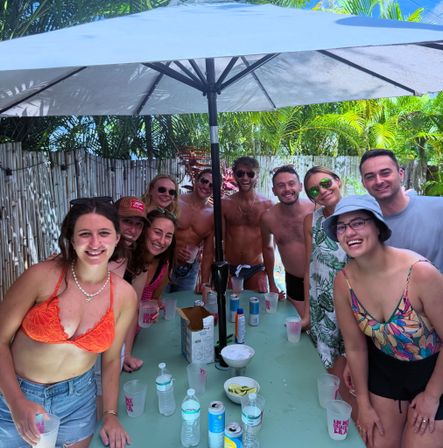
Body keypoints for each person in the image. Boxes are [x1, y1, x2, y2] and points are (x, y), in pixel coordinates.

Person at [0, 198, 137, 448]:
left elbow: (109, 360)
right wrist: (16, 402)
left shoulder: (125, 295)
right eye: (85, 234)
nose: (95, 243)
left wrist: (110, 415)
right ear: (72, 240)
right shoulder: (41, 277)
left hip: (78, 402)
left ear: (117, 238)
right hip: (15, 394)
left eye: (104, 233)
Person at [324, 195, 443, 448]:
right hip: (385, 372)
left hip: (434, 373)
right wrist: (363, 405)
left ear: (378, 226)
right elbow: (355, 348)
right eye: (342, 227)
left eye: (358, 223)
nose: (349, 232)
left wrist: (432, 397)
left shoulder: (420, 273)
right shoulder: (344, 281)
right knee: (375, 443)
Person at [302, 166, 355, 414]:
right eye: (314, 190)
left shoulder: (358, 213)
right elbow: (309, 267)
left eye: (325, 183)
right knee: (325, 368)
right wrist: (305, 313)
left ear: (338, 180)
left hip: (354, 305)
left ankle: (349, 421)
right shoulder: (311, 220)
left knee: (351, 371)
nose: (322, 191)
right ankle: (329, 417)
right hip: (320, 304)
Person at [360, 149, 443, 272]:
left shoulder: (438, 208)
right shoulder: (363, 225)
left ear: (401, 174)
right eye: (370, 176)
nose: (378, 181)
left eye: (385, 173)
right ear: (363, 183)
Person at [121, 208, 176, 372]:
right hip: (112, 338)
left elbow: (152, 300)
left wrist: (153, 307)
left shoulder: (161, 265)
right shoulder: (123, 261)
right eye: (157, 232)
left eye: (168, 236)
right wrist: (125, 354)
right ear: (145, 231)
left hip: (136, 335)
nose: (162, 240)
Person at [260, 165, 313, 316]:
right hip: (293, 279)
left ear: (300, 186)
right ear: (274, 191)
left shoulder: (315, 210)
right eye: (281, 186)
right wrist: (272, 283)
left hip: (320, 278)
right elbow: (267, 248)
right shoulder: (268, 218)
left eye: (291, 183)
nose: (287, 189)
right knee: (299, 324)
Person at [222, 156, 273, 292]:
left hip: (256, 269)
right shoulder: (225, 204)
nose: (245, 177)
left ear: (257, 176)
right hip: (230, 268)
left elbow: (271, 245)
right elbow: (217, 240)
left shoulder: (267, 205)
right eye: (240, 173)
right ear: (235, 175)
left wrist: (268, 276)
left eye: (250, 174)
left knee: (257, 309)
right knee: (228, 309)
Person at [167, 169, 214, 293]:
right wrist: (173, 250)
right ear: (196, 181)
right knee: (160, 303)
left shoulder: (212, 215)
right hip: (166, 263)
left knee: (185, 307)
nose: (206, 186)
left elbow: (208, 254)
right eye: (204, 181)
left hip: (189, 269)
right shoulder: (175, 203)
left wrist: (204, 282)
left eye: (212, 185)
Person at [109, 196, 148, 277]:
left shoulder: (138, 259)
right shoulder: (96, 252)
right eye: (127, 221)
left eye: (139, 224)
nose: (133, 230)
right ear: (112, 219)